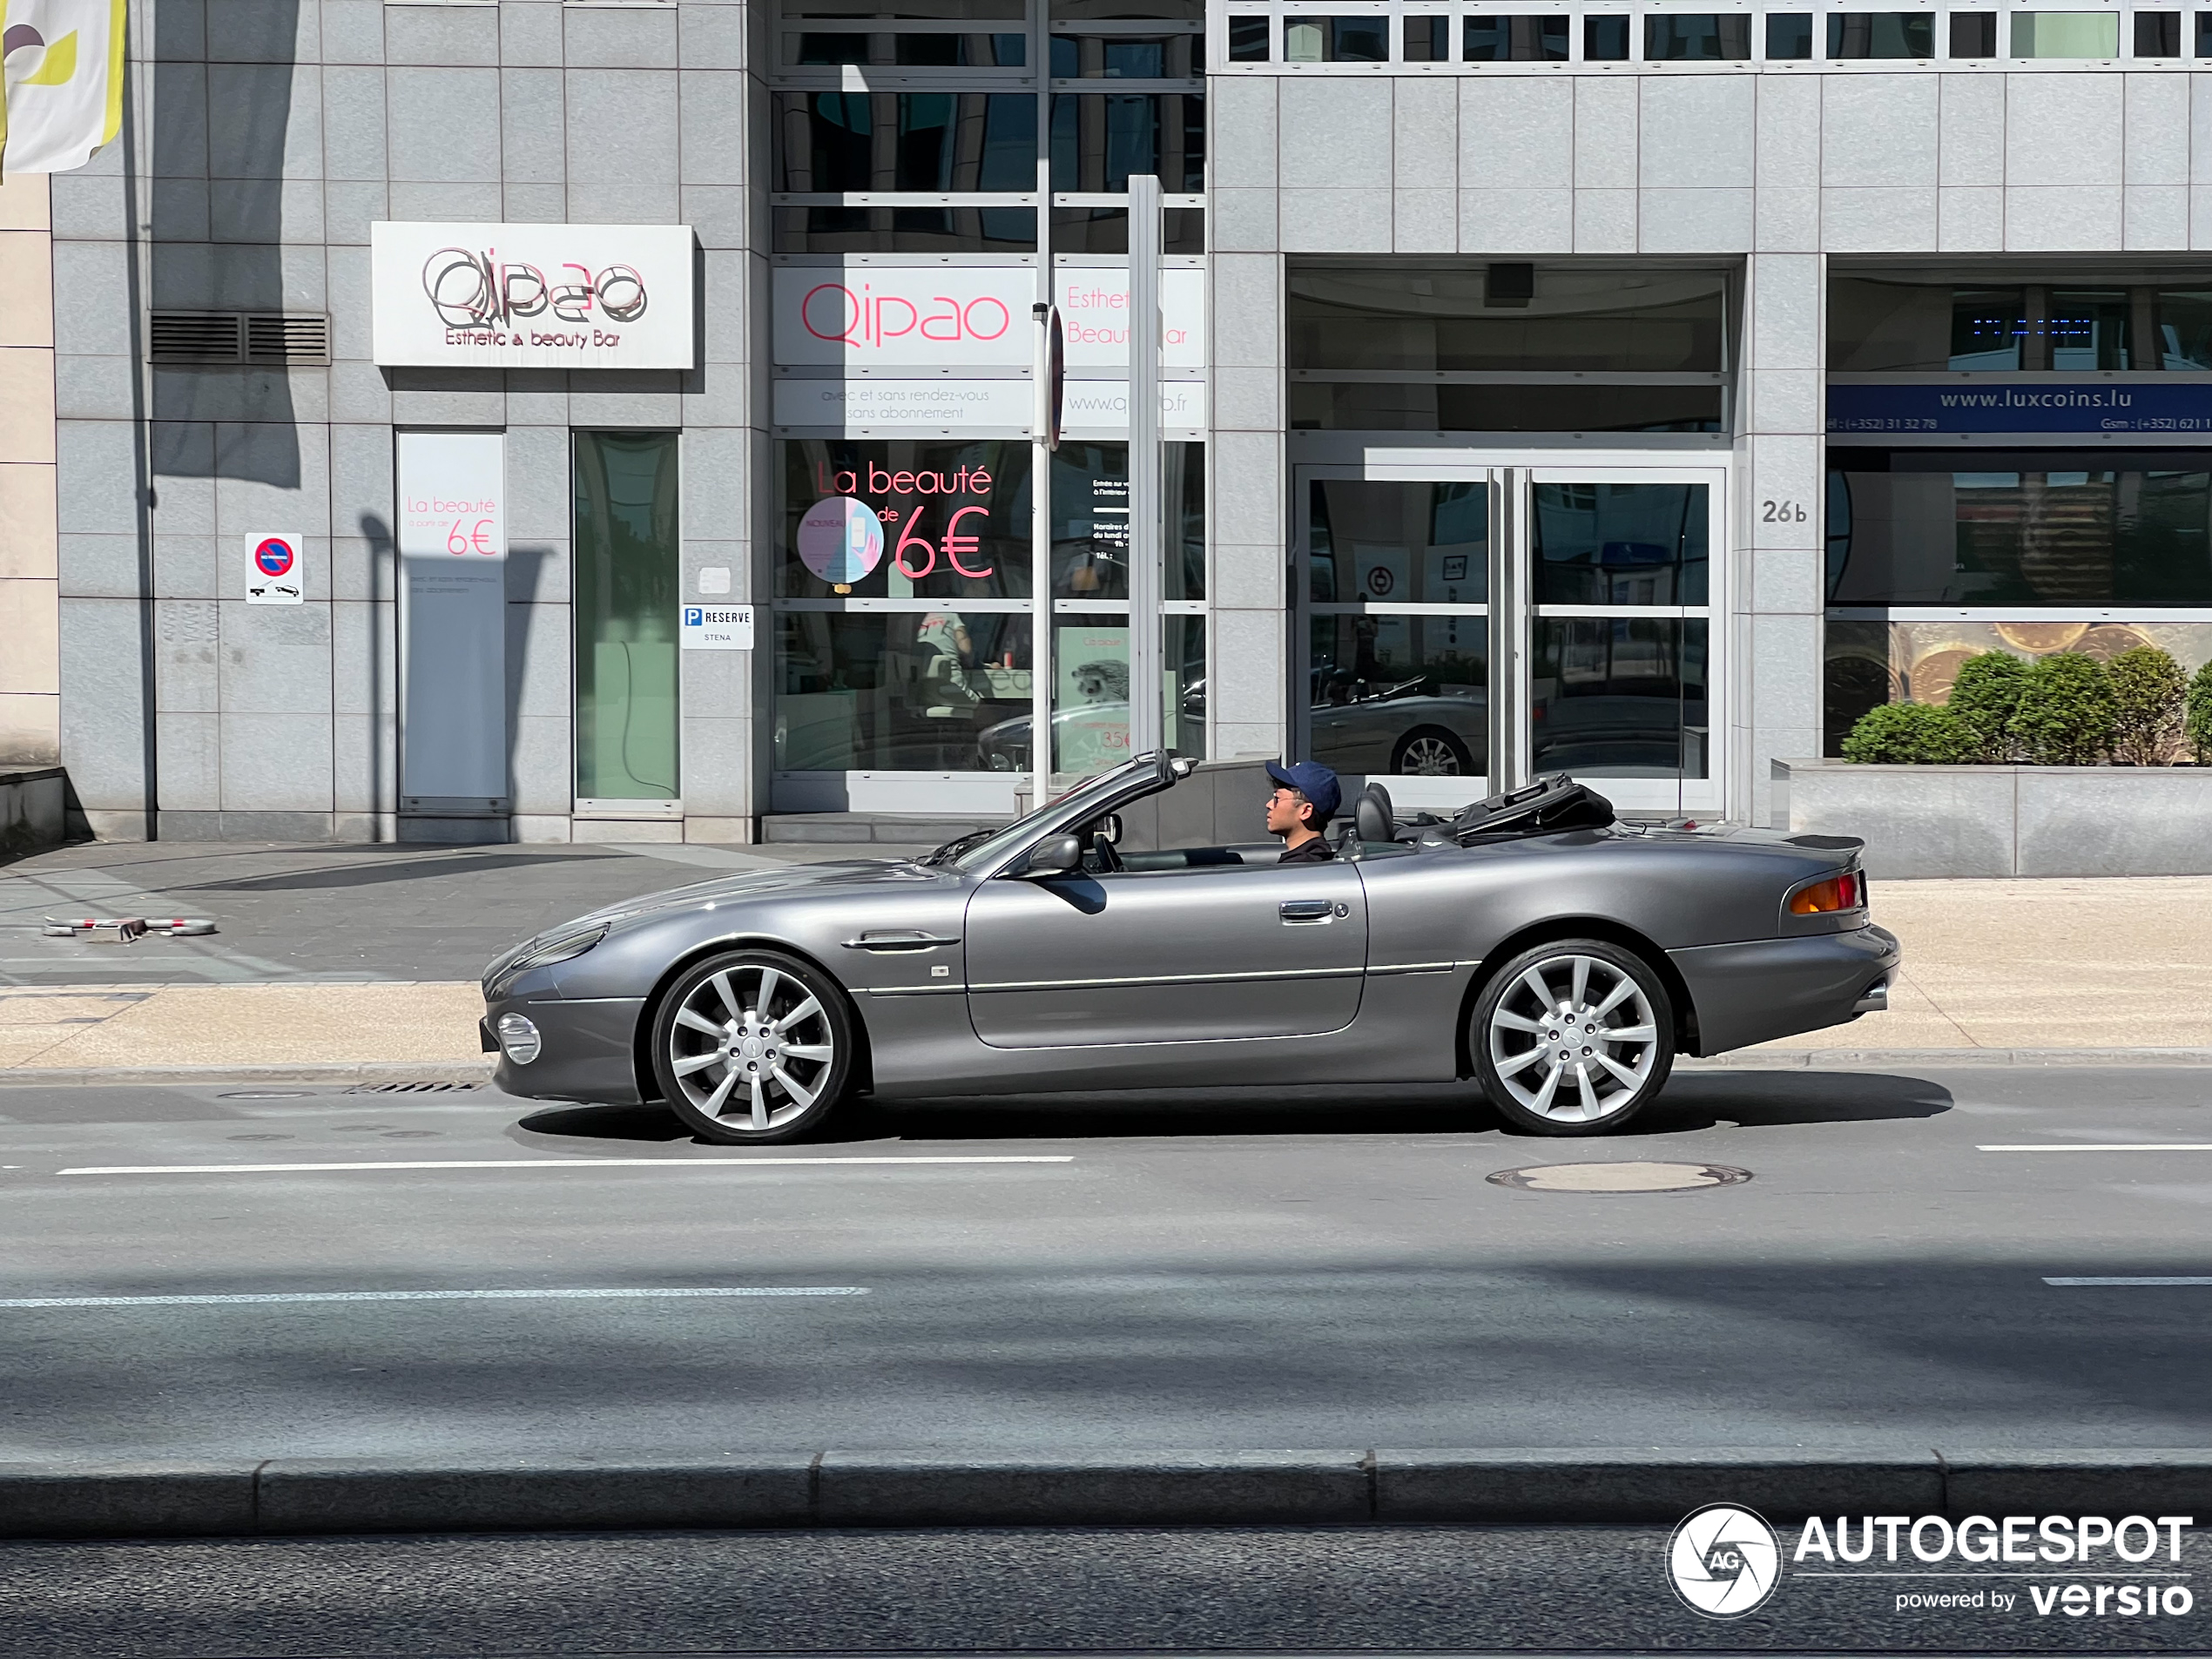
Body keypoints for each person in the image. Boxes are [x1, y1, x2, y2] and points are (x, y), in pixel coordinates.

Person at [1264, 759, 1340, 863]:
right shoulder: (1308, 858)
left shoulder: (1301, 867)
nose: (1269, 805)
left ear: (1305, 811)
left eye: (1277, 798)